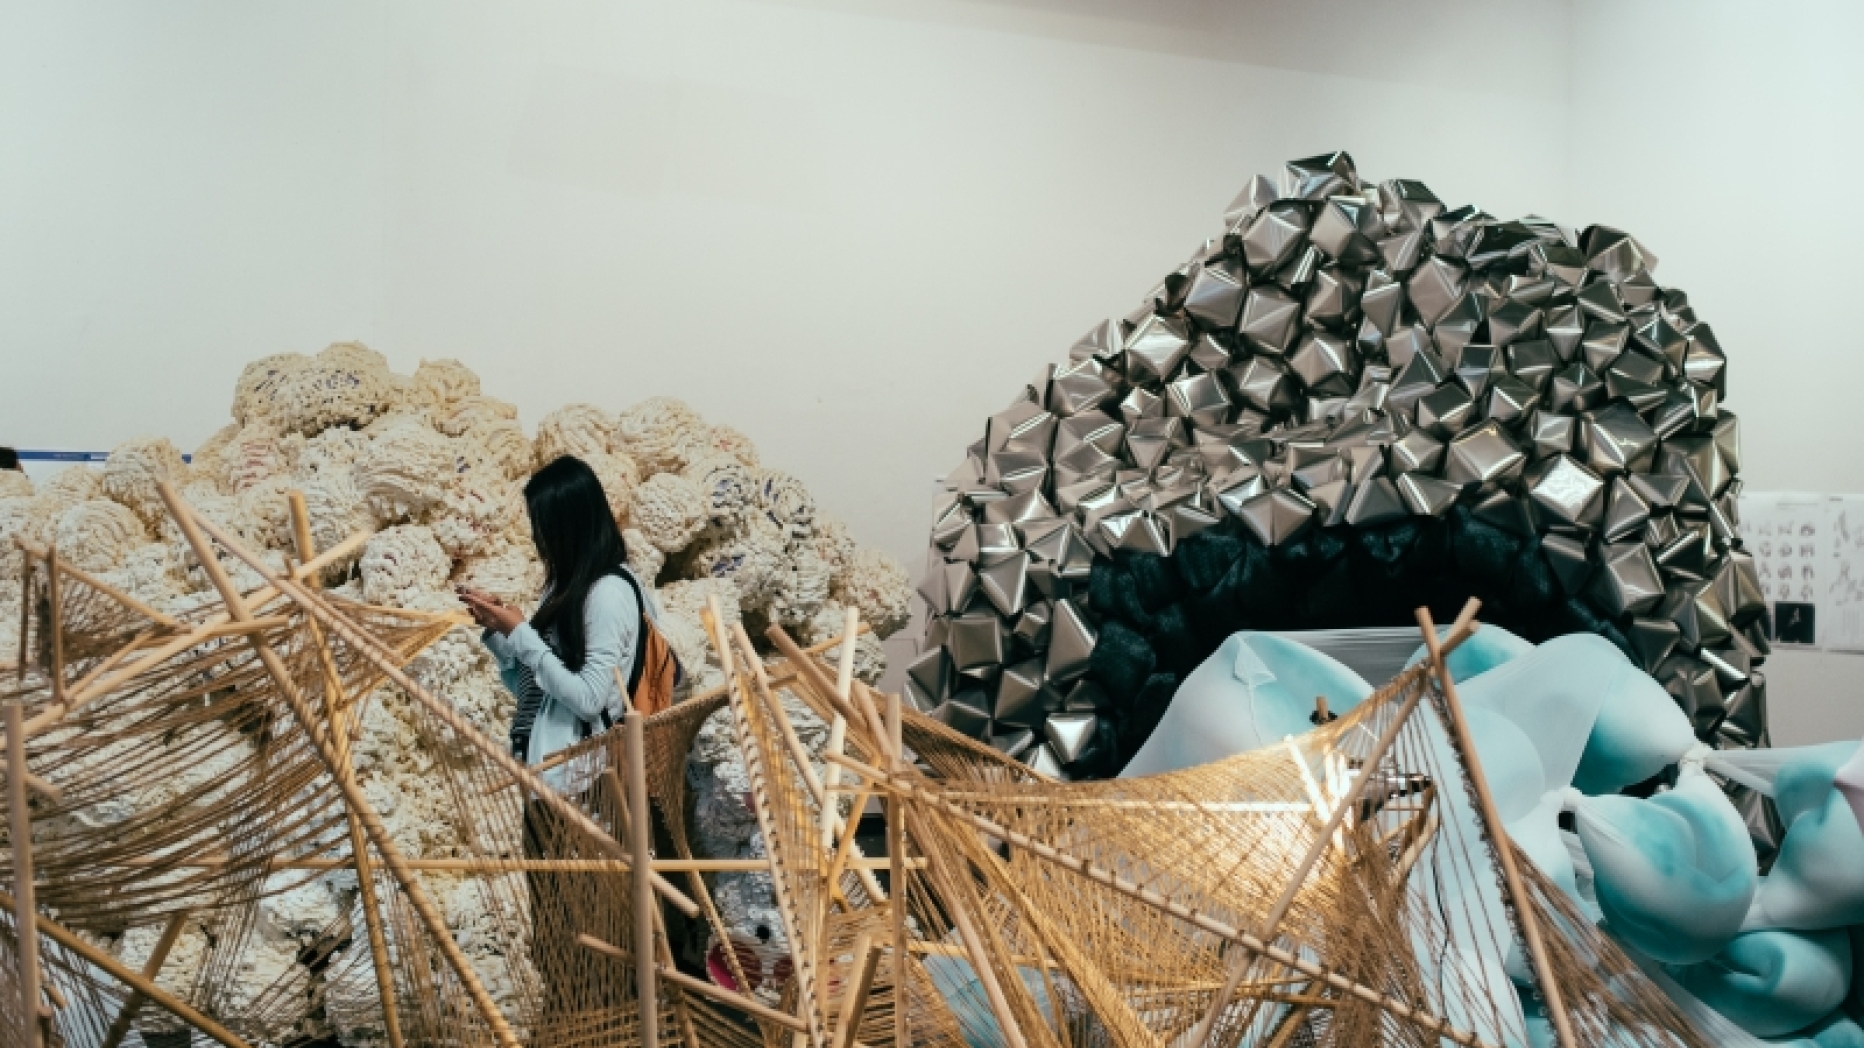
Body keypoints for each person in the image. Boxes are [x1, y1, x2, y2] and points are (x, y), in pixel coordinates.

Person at [456, 454, 662, 1029]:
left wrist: (523, 633)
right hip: (549, 783)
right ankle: (574, 1030)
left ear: (569, 523)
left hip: (589, 787)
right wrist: (503, 639)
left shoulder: (609, 592)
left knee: (592, 935)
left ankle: (607, 1032)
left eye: (544, 526)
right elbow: (539, 693)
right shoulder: (566, 586)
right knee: (555, 937)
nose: (538, 538)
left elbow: (591, 696)